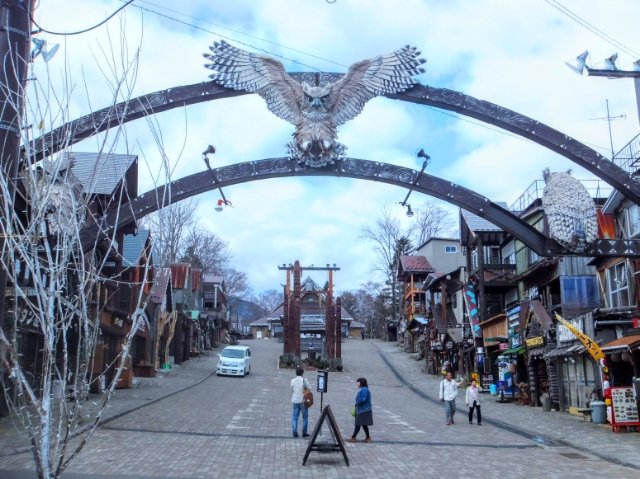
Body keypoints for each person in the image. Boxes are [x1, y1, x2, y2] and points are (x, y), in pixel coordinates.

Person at [350, 377, 373, 443]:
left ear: (361, 383)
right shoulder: (364, 389)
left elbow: (363, 399)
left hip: (363, 410)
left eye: (358, 382)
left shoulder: (364, 390)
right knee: (364, 424)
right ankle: (368, 438)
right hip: (363, 410)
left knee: (358, 424)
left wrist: (357, 403)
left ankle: (353, 437)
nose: (357, 384)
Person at [290, 367, 310, 438]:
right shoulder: (304, 380)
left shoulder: (292, 381)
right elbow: (309, 389)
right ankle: (304, 432)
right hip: (303, 401)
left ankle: (294, 432)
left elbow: (292, 390)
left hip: (295, 401)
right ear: (302, 373)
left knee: (295, 417)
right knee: (305, 417)